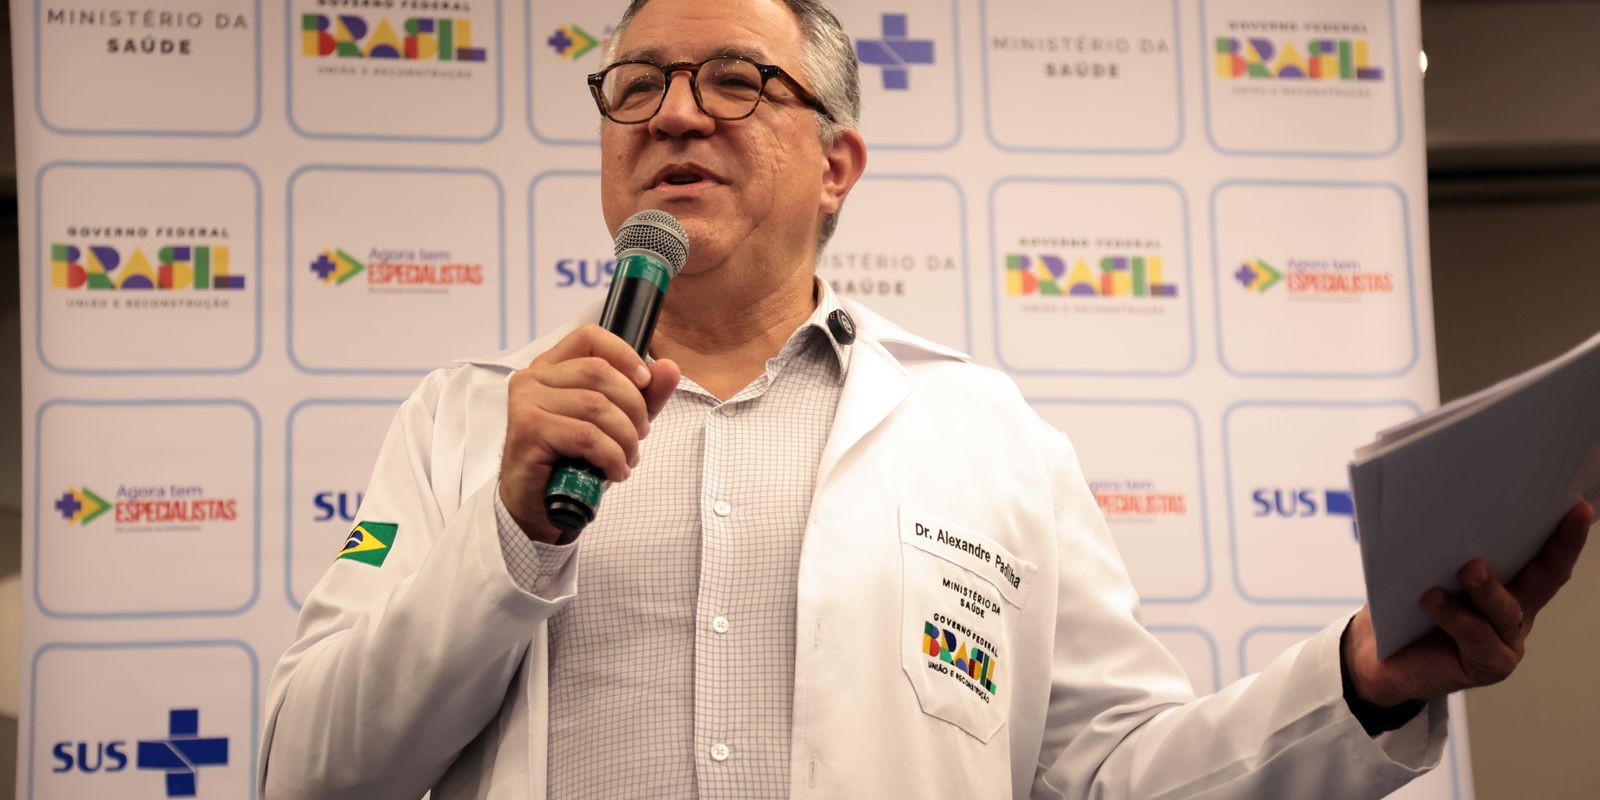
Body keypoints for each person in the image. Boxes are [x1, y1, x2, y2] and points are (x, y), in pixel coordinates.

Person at [258, 0, 1595, 797]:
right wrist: (507, 534)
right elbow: (310, 769)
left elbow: (1114, 773)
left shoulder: (987, 439)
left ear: (837, 163)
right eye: (639, 84)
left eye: (735, 81)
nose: (673, 114)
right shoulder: (469, 423)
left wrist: (1358, 688)